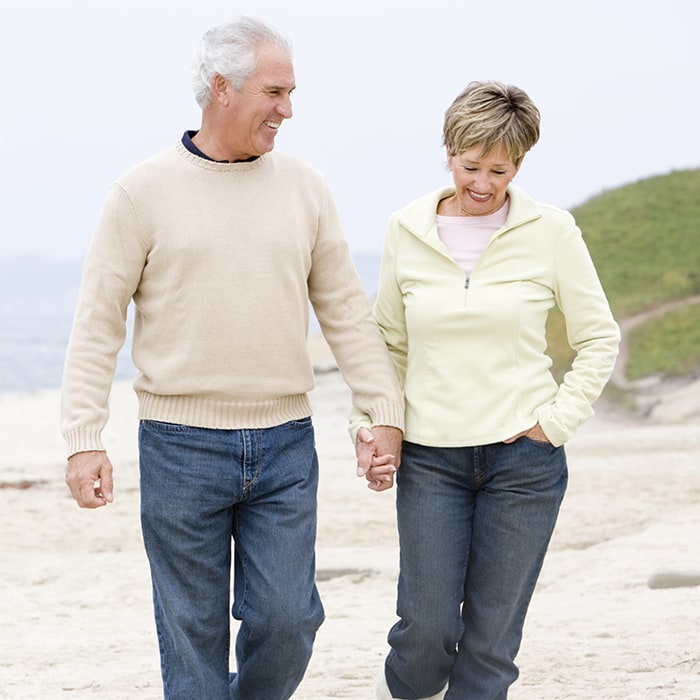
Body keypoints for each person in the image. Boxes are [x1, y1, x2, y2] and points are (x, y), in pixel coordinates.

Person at [61, 16, 403, 700]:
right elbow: (99, 320)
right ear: (222, 89)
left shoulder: (305, 188)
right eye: (274, 92)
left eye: (291, 92)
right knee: (193, 640)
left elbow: (343, 308)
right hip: (178, 445)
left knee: (289, 619)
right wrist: (83, 439)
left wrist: (384, 411)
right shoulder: (141, 192)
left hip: (284, 443)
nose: (288, 109)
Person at [354, 81, 620, 699]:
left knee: (491, 644)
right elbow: (386, 344)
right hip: (432, 460)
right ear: (449, 153)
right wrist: (369, 426)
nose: (482, 182)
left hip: (523, 461)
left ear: (520, 163)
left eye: (498, 169)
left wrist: (552, 425)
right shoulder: (406, 228)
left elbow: (598, 338)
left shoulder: (552, 230)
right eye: (470, 166)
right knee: (425, 629)